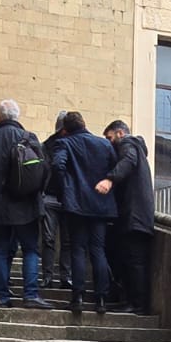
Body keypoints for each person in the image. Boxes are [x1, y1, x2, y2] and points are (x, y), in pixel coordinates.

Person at [0, 99, 51, 308]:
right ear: (17, 116)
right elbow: (43, 171)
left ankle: (2, 296)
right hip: (25, 204)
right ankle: (31, 294)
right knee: (31, 249)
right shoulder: (27, 137)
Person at [50, 112, 117, 313]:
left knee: (78, 249)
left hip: (77, 205)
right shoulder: (104, 144)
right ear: (84, 124)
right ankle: (101, 299)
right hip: (101, 204)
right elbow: (114, 168)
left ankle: (77, 297)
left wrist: (65, 188)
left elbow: (57, 165)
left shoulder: (65, 143)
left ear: (65, 129)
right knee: (98, 249)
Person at [103, 120, 156, 313]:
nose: (109, 143)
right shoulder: (135, 148)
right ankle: (131, 301)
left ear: (119, 133)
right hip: (137, 216)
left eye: (109, 138)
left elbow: (128, 161)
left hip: (135, 217)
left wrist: (110, 178)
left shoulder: (128, 144)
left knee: (135, 262)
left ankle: (138, 304)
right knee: (129, 260)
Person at [40, 112, 71, 287]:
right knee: (49, 238)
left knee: (66, 240)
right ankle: (49, 275)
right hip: (52, 195)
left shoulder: (70, 144)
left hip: (65, 197)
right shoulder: (47, 146)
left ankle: (65, 276)